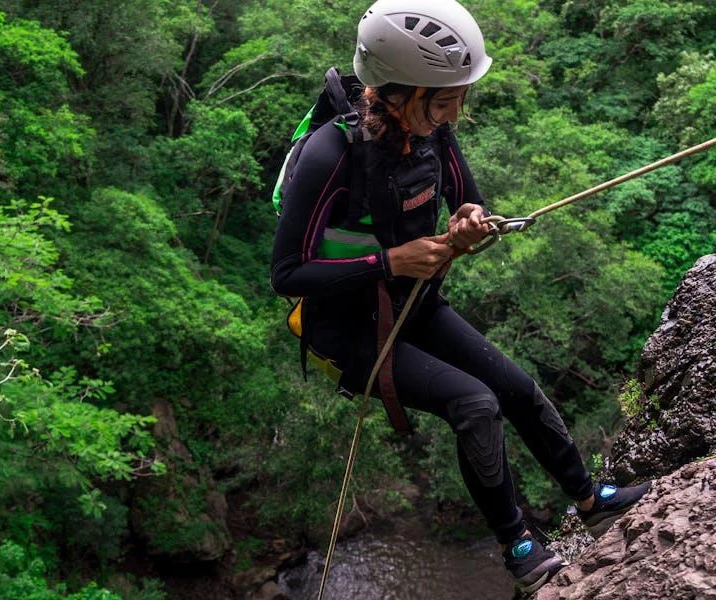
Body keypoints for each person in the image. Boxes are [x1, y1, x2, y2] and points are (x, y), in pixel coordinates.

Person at [269, 0, 650, 594]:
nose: (452, 113)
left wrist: (471, 226)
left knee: (516, 387)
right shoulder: (331, 154)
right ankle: (518, 545)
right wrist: (388, 260)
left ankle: (589, 497)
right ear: (394, 91)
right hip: (345, 330)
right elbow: (286, 274)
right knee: (475, 403)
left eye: (456, 99)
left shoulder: (434, 135)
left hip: (414, 303)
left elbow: (469, 205)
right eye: (441, 99)